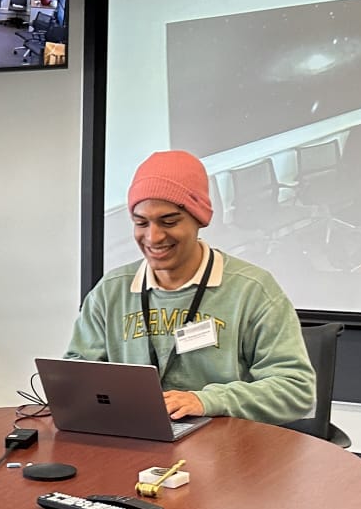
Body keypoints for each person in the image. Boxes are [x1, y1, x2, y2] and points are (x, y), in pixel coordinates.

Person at [67, 150, 315, 426]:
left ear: (199, 219)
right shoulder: (111, 291)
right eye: (141, 223)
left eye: (169, 221)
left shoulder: (252, 290)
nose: (153, 237)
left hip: (229, 451)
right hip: (136, 443)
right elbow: (77, 378)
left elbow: (296, 389)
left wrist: (205, 401)